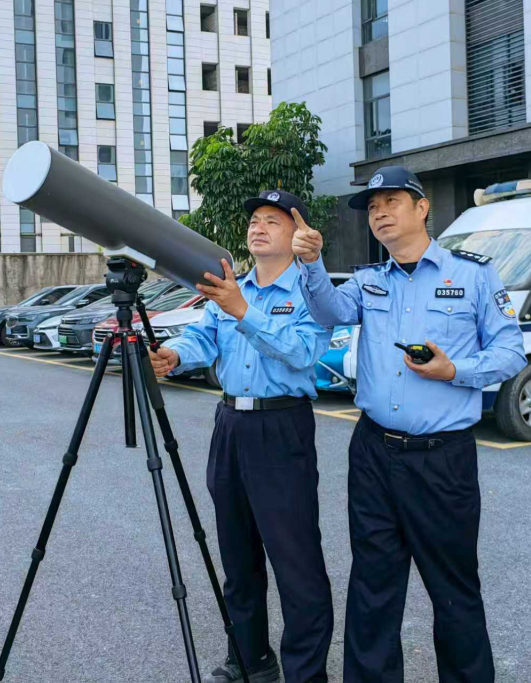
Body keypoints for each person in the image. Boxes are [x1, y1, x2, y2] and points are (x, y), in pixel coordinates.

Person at [290, 166, 527, 683]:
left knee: (453, 589)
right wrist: (311, 262)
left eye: (391, 202)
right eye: (372, 207)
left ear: (422, 208)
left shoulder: (472, 275)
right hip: (373, 453)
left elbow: (511, 352)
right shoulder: (369, 280)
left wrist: (454, 370)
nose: (379, 213)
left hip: (442, 459)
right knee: (372, 585)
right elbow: (330, 313)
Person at [149, 190, 334, 683]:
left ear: (297, 233)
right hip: (230, 425)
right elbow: (204, 336)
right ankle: (251, 660)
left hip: (282, 426)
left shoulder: (311, 292)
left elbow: (300, 353)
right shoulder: (233, 286)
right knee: (237, 555)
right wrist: (175, 353)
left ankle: (306, 673)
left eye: (273, 220)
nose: (258, 227)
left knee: (295, 560)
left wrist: (243, 311)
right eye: (254, 220)